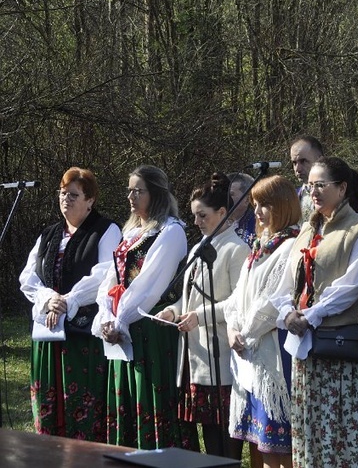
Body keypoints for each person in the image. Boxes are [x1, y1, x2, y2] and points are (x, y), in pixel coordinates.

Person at [271, 157, 358, 467]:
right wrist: (287, 310)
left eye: (321, 185)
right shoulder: (306, 232)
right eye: (310, 186)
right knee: (310, 431)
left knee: (343, 430)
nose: (314, 192)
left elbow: (353, 285)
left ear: (342, 188)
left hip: (339, 349)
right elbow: (284, 282)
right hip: (306, 350)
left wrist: (311, 315)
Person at [91, 165, 194, 449]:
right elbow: (111, 276)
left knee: (150, 396)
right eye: (129, 190)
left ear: (157, 194)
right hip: (124, 325)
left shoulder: (171, 232)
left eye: (138, 190)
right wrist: (106, 317)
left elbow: (149, 284)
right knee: (127, 395)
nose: (131, 197)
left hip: (150, 326)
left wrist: (121, 320)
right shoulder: (133, 231)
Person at [20, 167, 121, 441]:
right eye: (63, 193)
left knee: (83, 406)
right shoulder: (50, 233)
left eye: (74, 195)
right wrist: (48, 298)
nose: (66, 199)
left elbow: (104, 272)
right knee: (48, 405)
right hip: (47, 333)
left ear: (90, 200)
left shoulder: (106, 230)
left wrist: (69, 300)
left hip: (83, 336)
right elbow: (28, 276)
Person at [156, 173, 248, 458]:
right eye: (194, 215)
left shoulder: (237, 249)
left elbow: (239, 301)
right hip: (195, 355)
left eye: (202, 215)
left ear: (222, 213)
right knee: (209, 431)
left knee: (225, 432)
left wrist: (199, 315)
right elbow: (190, 295)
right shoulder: (199, 246)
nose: (196, 222)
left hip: (221, 355)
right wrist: (174, 310)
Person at [225, 175, 301, 468]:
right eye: (255, 204)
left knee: (280, 449)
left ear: (282, 205)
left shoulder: (290, 245)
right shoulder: (260, 245)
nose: (257, 212)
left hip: (272, 352)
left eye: (265, 205)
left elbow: (273, 299)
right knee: (259, 444)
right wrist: (232, 329)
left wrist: (244, 333)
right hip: (248, 353)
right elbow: (236, 297)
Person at [289, 136, 324, 222]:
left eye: (303, 161)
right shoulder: (294, 197)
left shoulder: (335, 194)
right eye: (294, 163)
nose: (298, 169)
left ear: (320, 159)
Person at [227, 173, 257, 248]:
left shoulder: (258, 225)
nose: (225, 198)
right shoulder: (216, 222)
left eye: (231, 194)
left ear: (247, 200)